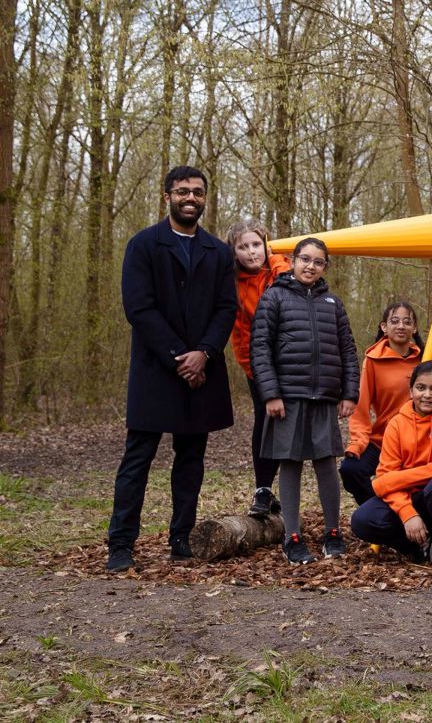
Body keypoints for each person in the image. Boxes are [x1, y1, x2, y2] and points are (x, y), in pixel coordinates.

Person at [106, 165, 238, 573]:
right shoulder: (144, 245)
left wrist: (204, 353)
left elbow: (226, 307)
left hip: (203, 370)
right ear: (167, 196)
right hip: (156, 369)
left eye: (197, 192)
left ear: (204, 198)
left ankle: (181, 538)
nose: (190, 198)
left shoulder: (218, 252)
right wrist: (180, 356)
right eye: (182, 191)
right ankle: (121, 543)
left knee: (191, 459)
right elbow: (139, 307)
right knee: (138, 459)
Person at [250, 237, 359, 564]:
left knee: (326, 462)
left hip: (325, 396)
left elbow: (348, 351)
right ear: (293, 261)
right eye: (305, 259)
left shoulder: (333, 304)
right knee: (291, 463)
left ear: (325, 266)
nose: (310, 266)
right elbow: (260, 350)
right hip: (288, 397)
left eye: (318, 261)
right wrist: (271, 394)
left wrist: (349, 393)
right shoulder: (274, 298)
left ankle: (332, 533)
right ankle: (292, 536)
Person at [349, 360, 432, 560]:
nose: (427, 395)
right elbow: (386, 473)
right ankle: (414, 549)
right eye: (421, 388)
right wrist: (407, 513)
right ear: (411, 391)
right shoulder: (397, 423)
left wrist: (393, 480)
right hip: (408, 496)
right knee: (363, 520)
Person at [341, 301, 432, 506]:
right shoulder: (373, 361)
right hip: (384, 439)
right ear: (384, 327)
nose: (401, 326)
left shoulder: (431, 358)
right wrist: (358, 442)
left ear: (414, 328)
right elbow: (361, 407)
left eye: (407, 322)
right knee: (351, 470)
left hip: (422, 441)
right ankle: (383, 514)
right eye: (395, 321)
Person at [227, 219, 292, 519]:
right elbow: (240, 335)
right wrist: (254, 371)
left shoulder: (281, 270)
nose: (252, 252)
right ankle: (263, 489)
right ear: (234, 251)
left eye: (256, 244)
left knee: (290, 425)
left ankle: (289, 494)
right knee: (265, 421)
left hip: (292, 362)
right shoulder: (232, 283)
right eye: (243, 247)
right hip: (258, 365)